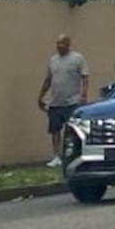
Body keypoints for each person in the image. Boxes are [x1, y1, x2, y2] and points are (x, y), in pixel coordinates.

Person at [37, 33, 89, 168]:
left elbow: (84, 76)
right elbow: (48, 80)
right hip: (56, 101)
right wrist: (41, 96)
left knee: (72, 129)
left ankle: (74, 154)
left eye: (62, 43)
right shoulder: (53, 60)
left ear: (68, 44)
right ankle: (56, 157)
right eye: (57, 43)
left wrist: (83, 95)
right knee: (55, 130)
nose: (59, 46)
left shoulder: (78, 58)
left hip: (72, 101)